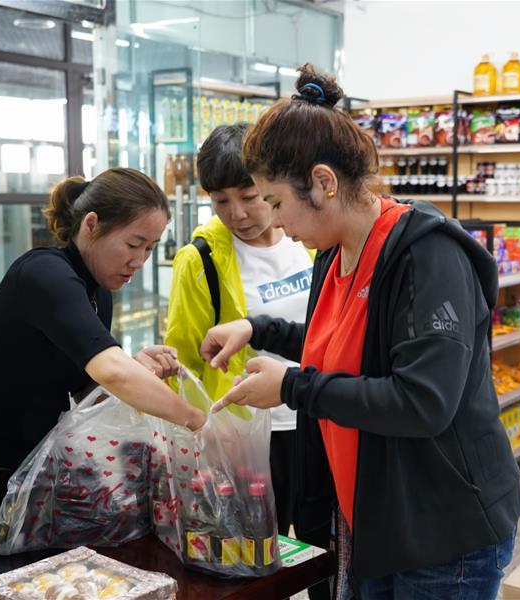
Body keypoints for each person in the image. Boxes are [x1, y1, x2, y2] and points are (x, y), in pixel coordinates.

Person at [201, 65, 520, 600]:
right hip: (375, 520)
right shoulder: (333, 254)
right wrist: (258, 328)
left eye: (275, 202)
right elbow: (344, 345)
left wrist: (292, 387)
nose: (274, 223)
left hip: (443, 532)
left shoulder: (427, 256)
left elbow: (422, 401)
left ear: (323, 183)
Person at [0, 168, 206, 559]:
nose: (139, 261)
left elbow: (90, 390)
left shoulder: (98, 292)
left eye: (149, 248)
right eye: (134, 244)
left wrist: (138, 367)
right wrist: (197, 422)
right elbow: (111, 371)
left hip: (31, 473)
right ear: (91, 225)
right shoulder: (44, 274)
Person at [165, 124, 331, 599]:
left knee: (326, 548)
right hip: (246, 437)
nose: (236, 213)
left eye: (250, 196)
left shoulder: (310, 237)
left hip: (318, 415)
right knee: (250, 559)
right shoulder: (201, 259)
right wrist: (193, 439)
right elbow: (184, 360)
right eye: (220, 200)